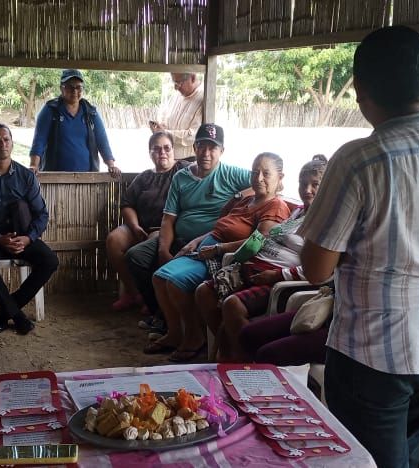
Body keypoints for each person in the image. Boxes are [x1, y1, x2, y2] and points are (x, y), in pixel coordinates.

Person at [298, 26, 419, 468]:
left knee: (374, 460)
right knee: (403, 451)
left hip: (380, 359)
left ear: (359, 89)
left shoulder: (360, 159)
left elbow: (316, 268)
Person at [146, 152, 290, 362]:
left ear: (280, 177)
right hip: (205, 249)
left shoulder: (275, 206)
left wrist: (218, 249)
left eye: (266, 174)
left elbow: (259, 241)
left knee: (175, 282)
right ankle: (175, 333)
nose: (258, 178)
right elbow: (220, 227)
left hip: (223, 258)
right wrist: (197, 240)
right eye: (254, 172)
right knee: (159, 277)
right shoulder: (248, 199)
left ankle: (195, 336)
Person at [195, 155, 328, 362]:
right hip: (253, 269)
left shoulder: (325, 222)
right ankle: (230, 346)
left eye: (315, 184)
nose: (307, 190)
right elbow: (270, 237)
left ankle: (247, 359)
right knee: (204, 292)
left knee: (233, 305)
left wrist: (275, 275)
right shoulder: (298, 212)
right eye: (303, 184)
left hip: (278, 281)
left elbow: (318, 270)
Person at [0, 123, 59, 335]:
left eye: (6, 139)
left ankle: (5, 312)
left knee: (50, 261)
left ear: (12, 144)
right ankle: (17, 316)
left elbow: (42, 214)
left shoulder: (26, 176)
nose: (2, 144)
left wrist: (28, 238)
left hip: (21, 236)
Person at [106, 131, 190, 311]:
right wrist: (135, 226)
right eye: (156, 149)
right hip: (140, 226)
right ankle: (132, 292)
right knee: (114, 240)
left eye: (167, 148)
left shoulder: (183, 170)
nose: (162, 153)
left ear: (173, 150)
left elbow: (205, 168)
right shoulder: (144, 177)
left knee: (151, 244)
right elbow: (127, 204)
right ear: (150, 153)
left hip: (165, 228)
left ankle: (150, 297)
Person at [29, 69, 121, 175]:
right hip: (55, 176)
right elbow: (39, 140)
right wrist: (34, 165)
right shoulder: (50, 110)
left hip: (87, 176)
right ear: (61, 88)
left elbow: (102, 140)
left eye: (79, 87)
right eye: (70, 87)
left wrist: (111, 165)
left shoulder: (91, 112)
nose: (75, 91)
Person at [149, 73, 204, 161]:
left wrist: (165, 133)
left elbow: (194, 136)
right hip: (169, 159)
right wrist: (160, 128)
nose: (175, 87)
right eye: (174, 83)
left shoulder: (204, 99)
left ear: (193, 78)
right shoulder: (176, 95)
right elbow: (166, 119)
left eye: (179, 83)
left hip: (189, 162)